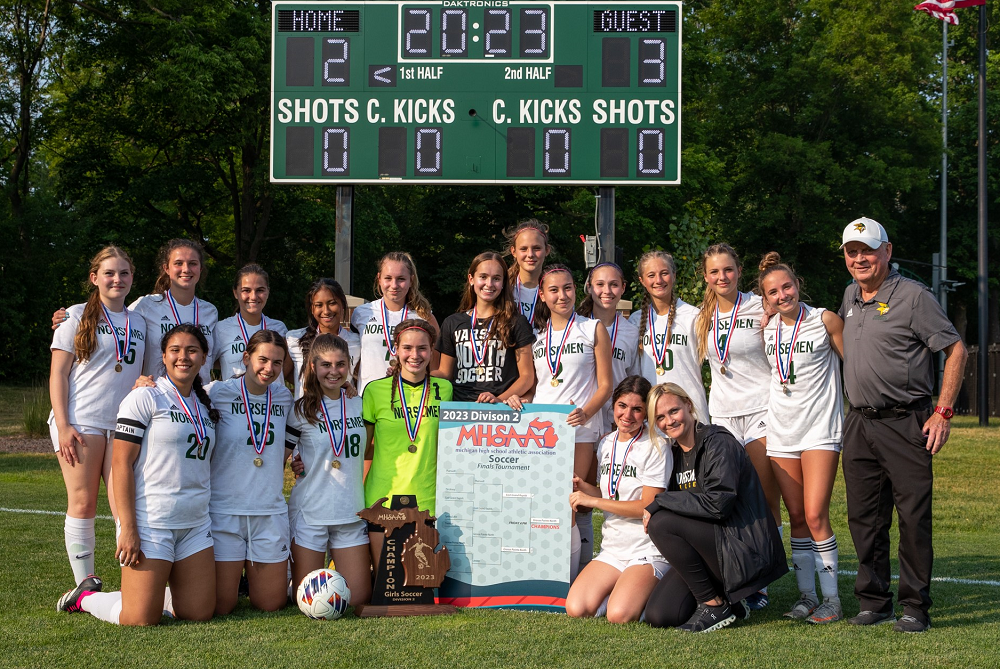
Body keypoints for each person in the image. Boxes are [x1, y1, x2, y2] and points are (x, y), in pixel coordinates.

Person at [837, 217, 967, 633]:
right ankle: (874, 602)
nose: (860, 258)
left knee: (912, 518)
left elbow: (956, 349)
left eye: (868, 250)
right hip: (859, 422)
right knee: (865, 518)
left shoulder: (913, 297)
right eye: (852, 251)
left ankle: (915, 606)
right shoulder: (849, 296)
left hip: (906, 422)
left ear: (887, 252)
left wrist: (943, 412)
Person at [57, 325, 219, 625]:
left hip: (195, 524)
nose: (183, 357)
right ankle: (85, 597)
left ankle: (154, 587)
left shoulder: (207, 405)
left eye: (192, 350)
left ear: (204, 357)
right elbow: (120, 465)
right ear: (164, 355)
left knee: (199, 614)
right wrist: (127, 527)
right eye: (175, 350)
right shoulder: (145, 398)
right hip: (152, 523)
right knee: (140, 618)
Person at [642, 383, 787, 633]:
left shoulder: (719, 442)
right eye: (660, 417)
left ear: (689, 405)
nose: (669, 421)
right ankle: (731, 602)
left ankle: (714, 606)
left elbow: (718, 504)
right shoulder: (672, 453)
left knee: (661, 522)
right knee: (660, 614)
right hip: (712, 548)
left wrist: (660, 501)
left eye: (674, 411)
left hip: (743, 548)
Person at [49, 246, 146, 586]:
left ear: (132, 278)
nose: (117, 279)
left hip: (121, 424)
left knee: (125, 503)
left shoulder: (140, 321)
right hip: (81, 420)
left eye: (123, 273)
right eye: (109, 273)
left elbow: (143, 378)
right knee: (83, 501)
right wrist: (63, 425)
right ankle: (84, 583)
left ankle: (136, 582)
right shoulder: (75, 316)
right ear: (94, 278)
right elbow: (58, 374)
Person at [509, 264, 612, 580]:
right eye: (553, 289)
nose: (562, 295)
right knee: (550, 502)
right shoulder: (536, 337)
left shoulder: (592, 328)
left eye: (567, 288)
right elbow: (535, 384)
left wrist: (586, 412)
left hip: (579, 429)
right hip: (542, 432)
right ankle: (559, 574)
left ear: (575, 290)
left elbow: (606, 384)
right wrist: (519, 401)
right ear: (542, 294)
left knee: (574, 501)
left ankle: (573, 576)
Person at [758, 252, 845, 624]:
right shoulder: (767, 328)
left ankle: (833, 600)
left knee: (815, 513)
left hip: (820, 430)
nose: (782, 295)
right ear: (766, 298)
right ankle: (807, 597)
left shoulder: (825, 320)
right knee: (796, 516)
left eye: (787, 286)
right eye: (774, 292)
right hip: (781, 431)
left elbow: (853, 368)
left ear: (798, 285)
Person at [694, 243, 781, 610]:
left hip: (762, 408)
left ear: (739, 270)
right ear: (705, 276)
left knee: (763, 497)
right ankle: (740, 576)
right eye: (714, 272)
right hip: (724, 415)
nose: (721, 277)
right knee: (731, 500)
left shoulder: (760, 305)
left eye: (727, 270)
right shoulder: (702, 316)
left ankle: (766, 581)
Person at [566, 376, 669, 623]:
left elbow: (647, 505)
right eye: (622, 406)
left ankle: (654, 587)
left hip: (647, 550)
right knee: (576, 608)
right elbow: (607, 494)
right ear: (613, 405)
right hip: (613, 548)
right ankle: (623, 591)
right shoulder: (606, 443)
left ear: (647, 413)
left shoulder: (656, 446)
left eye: (637, 409)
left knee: (619, 615)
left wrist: (594, 502)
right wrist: (582, 486)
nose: (628, 415)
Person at [208, 330, 294, 615]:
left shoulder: (284, 398)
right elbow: (179, 393)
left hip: (268, 512)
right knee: (220, 605)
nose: (269, 369)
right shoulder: (217, 393)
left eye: (278, 363)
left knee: (271, 604)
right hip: (224, 512)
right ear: (246, 358)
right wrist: (147, 384)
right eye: (263, 359)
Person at [54, 239, 219, 383]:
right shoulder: (145, 306)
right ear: (166, 268)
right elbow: (116, 316)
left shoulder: (210, 311)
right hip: (157, 398)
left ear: (200, 269)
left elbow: (217, 355)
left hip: (198, 399)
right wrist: (66, 318)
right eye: (178, 263)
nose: (186, 269)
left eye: (193, 263)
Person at [287, 334, 372, 606]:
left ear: (349, 366)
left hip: (350, 510)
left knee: (359, 599)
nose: (333, 371)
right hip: (311, 512)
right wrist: (293, 462)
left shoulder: (361, 404)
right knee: (304, 598)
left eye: (340, 364)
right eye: (325, 365)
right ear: (313, 366)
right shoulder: (299, 410)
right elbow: (282, 456)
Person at [362, 318, 453, 564]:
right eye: (407, 348)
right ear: (396, 350)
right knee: (386, 585)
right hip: (383, 498)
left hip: (427, 499)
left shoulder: (445, 390)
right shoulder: (374, 391)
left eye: (422, 348)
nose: (415, 355)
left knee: (419, 580)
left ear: (432, 349)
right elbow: (361, 450)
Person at [435, 251, 535, 405]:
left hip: (501, 410)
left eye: (496, 278)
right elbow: (444, 374)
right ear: (471, 279)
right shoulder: (452, 323)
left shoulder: (516, 322)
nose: (489, 284)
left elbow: (527, 377)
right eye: (483, 277)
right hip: (459, 412)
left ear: (503, 283)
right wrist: (412, 372)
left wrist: (499, 400)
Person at [629, 251, 710, 422]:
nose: (658, 280)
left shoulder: (693, 316)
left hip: (691, 415)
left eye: (664, 273)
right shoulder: (635, 321)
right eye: (651, 275)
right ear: (642, 280)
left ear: (673, 275)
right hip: (653, 418)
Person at [352, 252, 439, 396]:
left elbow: (435, 366)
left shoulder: (424, 316)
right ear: (379, 279)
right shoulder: (361, 313)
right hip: (369, 397)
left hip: (411, 398)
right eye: (388, 278)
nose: (394, 285)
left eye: (401, 279)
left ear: (411, 280)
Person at [577, 262, 641, 433]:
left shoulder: (631, 332)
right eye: (600, 284)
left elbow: (632, 379)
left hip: (616, 421)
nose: (607, 291)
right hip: (581, 416)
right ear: (589, 287)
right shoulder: (577, 327)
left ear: (623, 288)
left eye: (614, 284)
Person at [286, 278, 360, 399]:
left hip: (340, 414)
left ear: (342, 304)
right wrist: (301, 384)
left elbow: (357, 382)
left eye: (332, 303)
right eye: (319, 305)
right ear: (312, 309)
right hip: (305, 415)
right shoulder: (294, 339)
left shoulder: (356, 342)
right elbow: (282, 375)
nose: (326, 311)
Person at [213, 264, 288, 380]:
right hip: (235, 397)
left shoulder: (279, 328)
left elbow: (286, 369)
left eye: (260, 290)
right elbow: (206, 363)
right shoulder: (221, 329)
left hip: (273, 398)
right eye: (246, 290)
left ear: (268, 292)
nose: (253, 297)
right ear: (235, 293)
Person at [504, 219, 552, 322]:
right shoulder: (503, 289)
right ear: (514, 251)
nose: (530, 254)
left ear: (547, 250)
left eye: (536, 248)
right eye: (523, 249)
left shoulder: (555, 290)